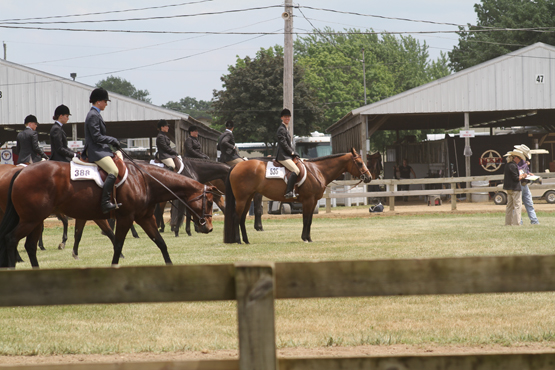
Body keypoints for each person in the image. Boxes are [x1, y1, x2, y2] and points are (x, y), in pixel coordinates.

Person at [83, 87, 121, 214]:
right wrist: (112, 140)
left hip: (100, 149)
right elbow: (96, 137)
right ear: (99, 101)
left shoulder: (96, 114)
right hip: (95, 150)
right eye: (105, 101)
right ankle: (104, 202)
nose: (106, 104)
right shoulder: (93, 115)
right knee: (114, 170)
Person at [275, 108, 300, 199]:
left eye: (288, 117)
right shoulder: (281, 129)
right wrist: (292, 152)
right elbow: (284, 144)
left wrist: (294, 153)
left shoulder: (285, 128)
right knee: (296, 170)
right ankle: (288, 192)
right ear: (281, 118)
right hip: (283, 156)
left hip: (287, 155)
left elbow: (289, 144)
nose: (287, 118)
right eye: (285, 117)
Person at [514, 144, 539, 225]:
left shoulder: (524, 163)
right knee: (518, 205)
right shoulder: (514, 164)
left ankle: (534, 221)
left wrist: (529, 174)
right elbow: (516, 174)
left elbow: (526, 171)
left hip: (524, 184)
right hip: (519, 185)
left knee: (529, 203)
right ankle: (519, 222)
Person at [503, 150, 527, 226]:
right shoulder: (513, 166)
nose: (519, 160)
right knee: (517, 206)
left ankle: (508, 223)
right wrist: (523, 176)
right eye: (519, 159)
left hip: (508, 188)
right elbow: (516, 178)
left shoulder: (507, 165)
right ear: (515, 158)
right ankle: (517, 223)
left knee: (509, 206)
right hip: (515, 188)